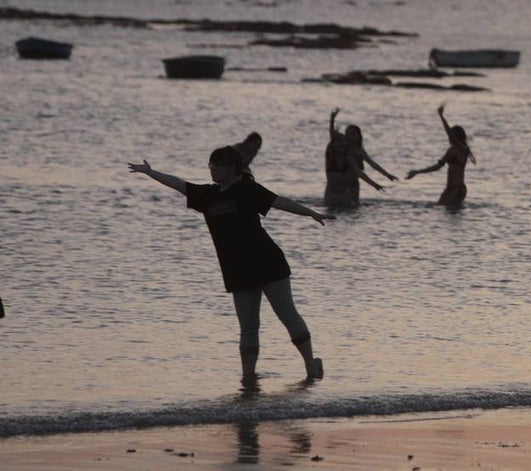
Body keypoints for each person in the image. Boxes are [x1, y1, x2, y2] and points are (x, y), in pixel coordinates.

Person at [128, 146, 330, 384]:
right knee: (248, 326)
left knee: (287, 314)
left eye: (218, 165)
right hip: (238, 269)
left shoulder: (247, 189)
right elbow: (179, 184)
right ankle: (248, 378)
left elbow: (279, 202)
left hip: (268, 263)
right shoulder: (208, 196)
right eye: (210, 165)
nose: (212, 169)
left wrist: (311, 213)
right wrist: (150, 172)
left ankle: (310, 366)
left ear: (232, 168)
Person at [324, 108, 397, 208]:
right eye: (347, 134)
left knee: (354, 205)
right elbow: (332, 136)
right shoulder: (343, 147)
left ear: (359, 137)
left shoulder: (359, 151)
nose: (349, 137)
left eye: (353, 134)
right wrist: (332, 120)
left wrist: (387, 175)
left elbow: (372, 164)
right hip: (341, 182)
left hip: (353, 181)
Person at [406, 103, 475, 206]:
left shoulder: (463, 150)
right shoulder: (450, 151)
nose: (449, 138)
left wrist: (441, 117)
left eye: (451, 136)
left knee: (448, 214)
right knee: (438, 207)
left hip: (458, 188)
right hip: (449, 188)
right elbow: (437, 167)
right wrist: (417, 172)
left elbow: (449, 133)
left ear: (456, 137)